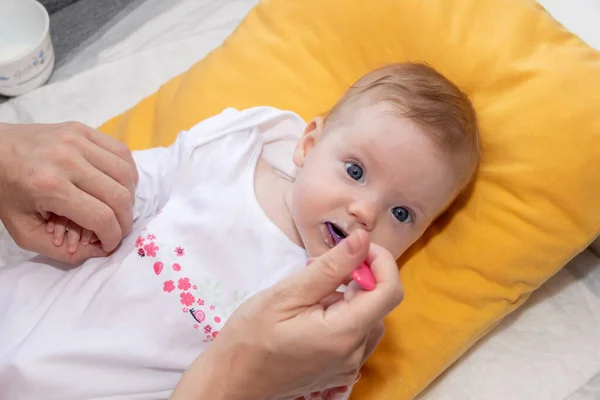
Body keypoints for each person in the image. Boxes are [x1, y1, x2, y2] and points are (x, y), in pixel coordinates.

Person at [0, 62, 479, 399]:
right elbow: (137, 183)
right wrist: (84, 218)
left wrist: (341, 371)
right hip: (32, 319)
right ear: (308, 144)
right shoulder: (232, 154)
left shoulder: (339, 310)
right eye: (355, 171)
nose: (365, 212)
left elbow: (301, 383)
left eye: (402, 215)